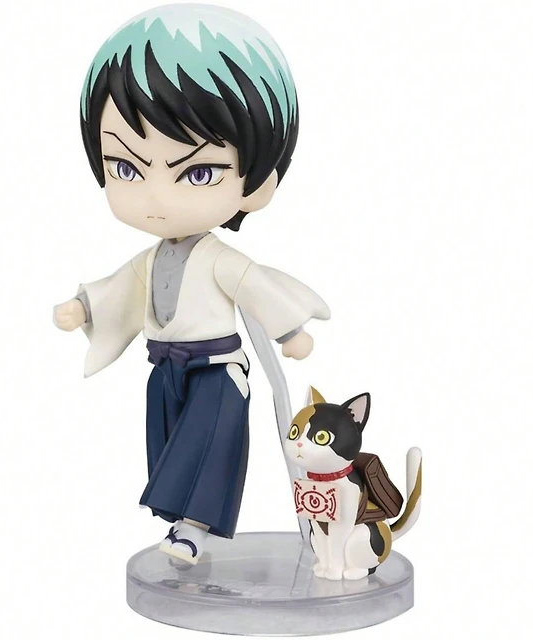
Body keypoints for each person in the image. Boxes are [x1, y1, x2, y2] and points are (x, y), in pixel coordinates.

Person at [53, 3, 330, 564]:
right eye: (127, 168)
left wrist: (290, 332)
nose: (157, 197)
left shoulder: (221, 260)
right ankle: (179, 522)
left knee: (206, 449)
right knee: (168, 448)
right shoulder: (148, 259)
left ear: (256, 183)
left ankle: (194, 529)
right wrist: (83, 307)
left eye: (197, 173)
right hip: (165, 369)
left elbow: (258, 289)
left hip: (216, 372)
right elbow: (118, 291)